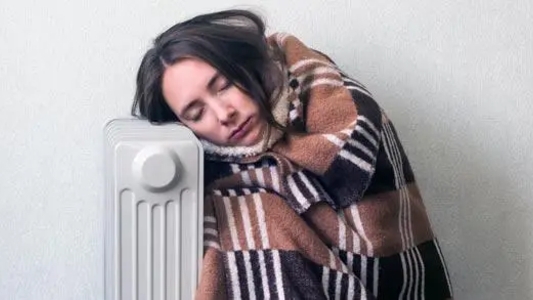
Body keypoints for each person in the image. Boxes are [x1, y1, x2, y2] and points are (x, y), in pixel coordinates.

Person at [132, 9, 453, 300]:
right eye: (196, 111)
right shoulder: (203, 172)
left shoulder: (340, 105)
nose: (223, 113)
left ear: (249, 64)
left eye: (224, 84)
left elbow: (360, 177)